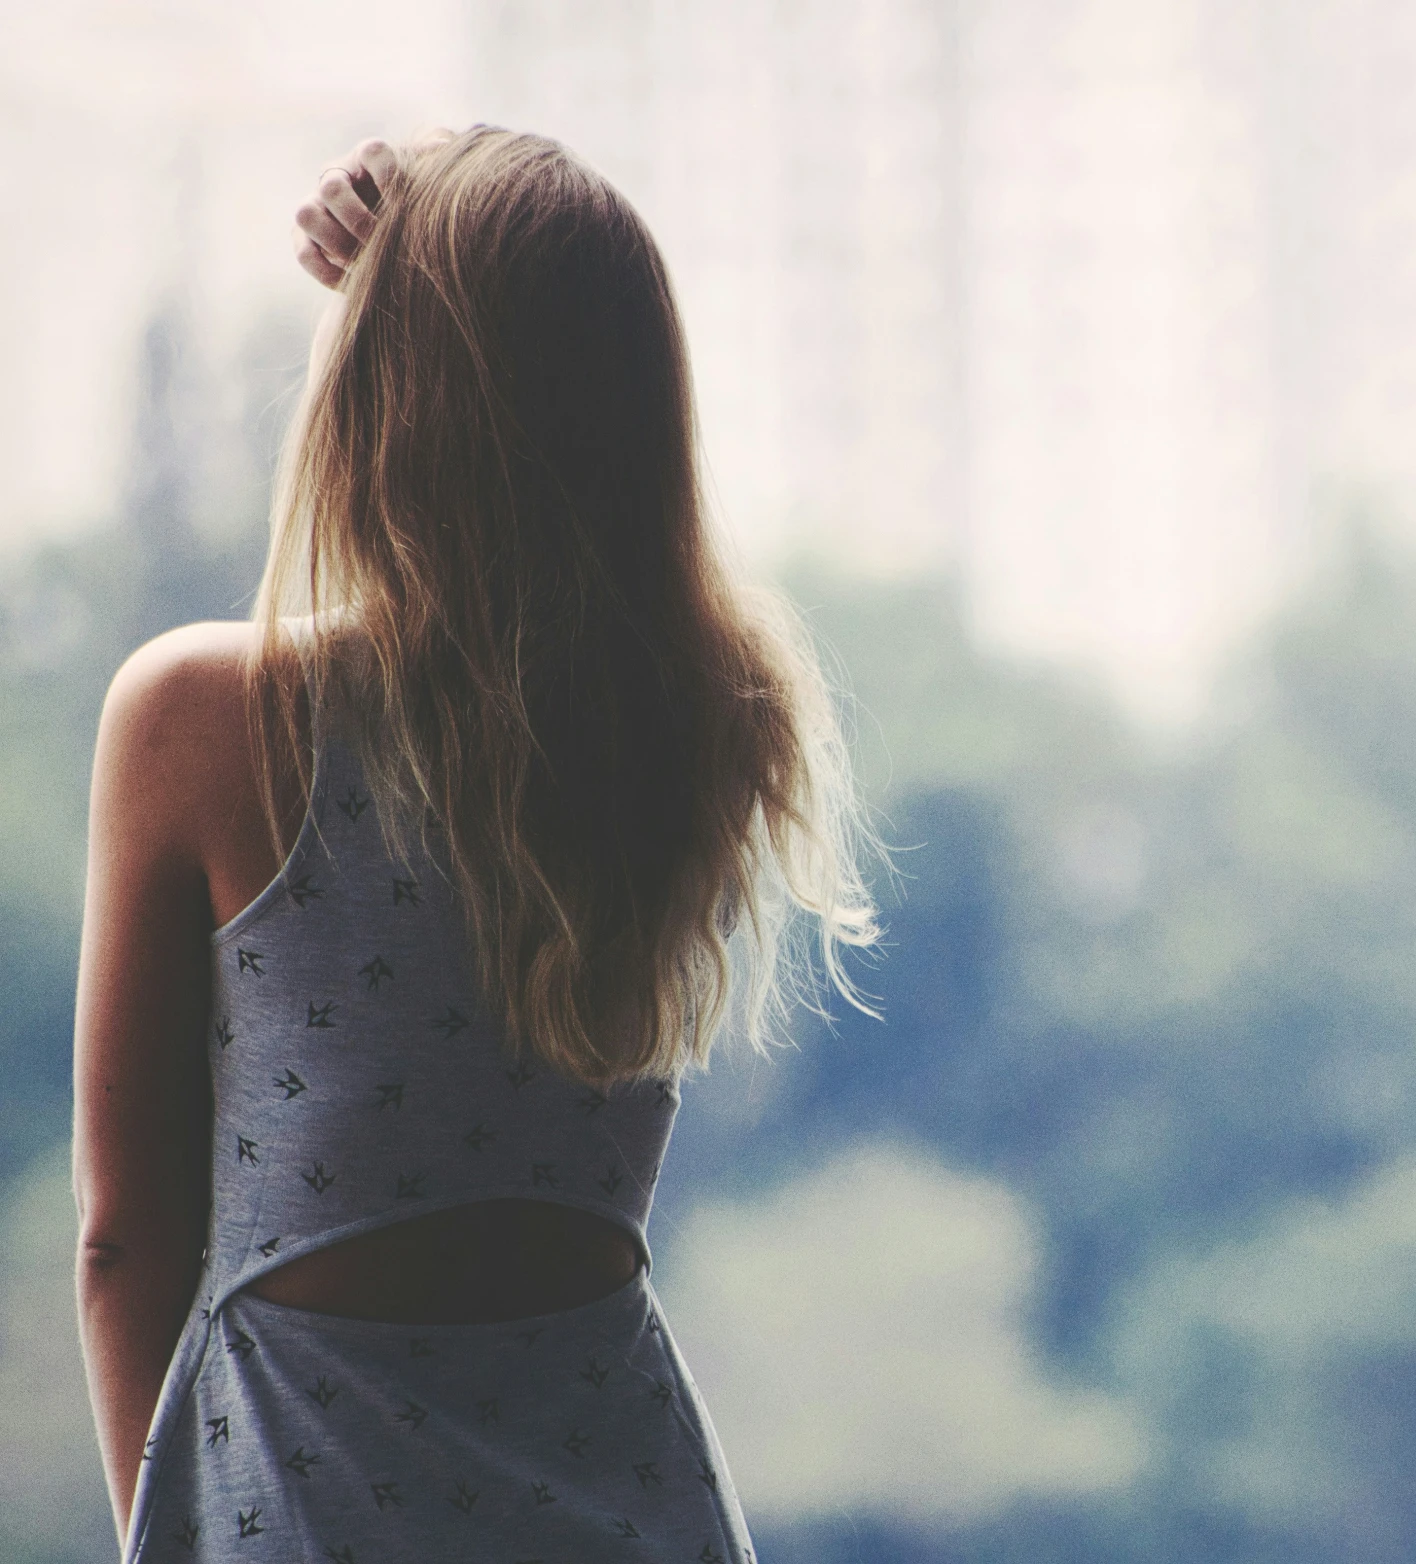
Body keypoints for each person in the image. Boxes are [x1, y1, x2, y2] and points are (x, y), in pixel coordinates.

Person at [73, 127, 880, 1561]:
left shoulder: (208, 717)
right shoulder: (715, 707)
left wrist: (178, 1527)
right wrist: (446, 250)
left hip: (307, 1482)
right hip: (624, 1483)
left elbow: (124, 1235)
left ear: (375, 398)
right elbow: (547, 372)